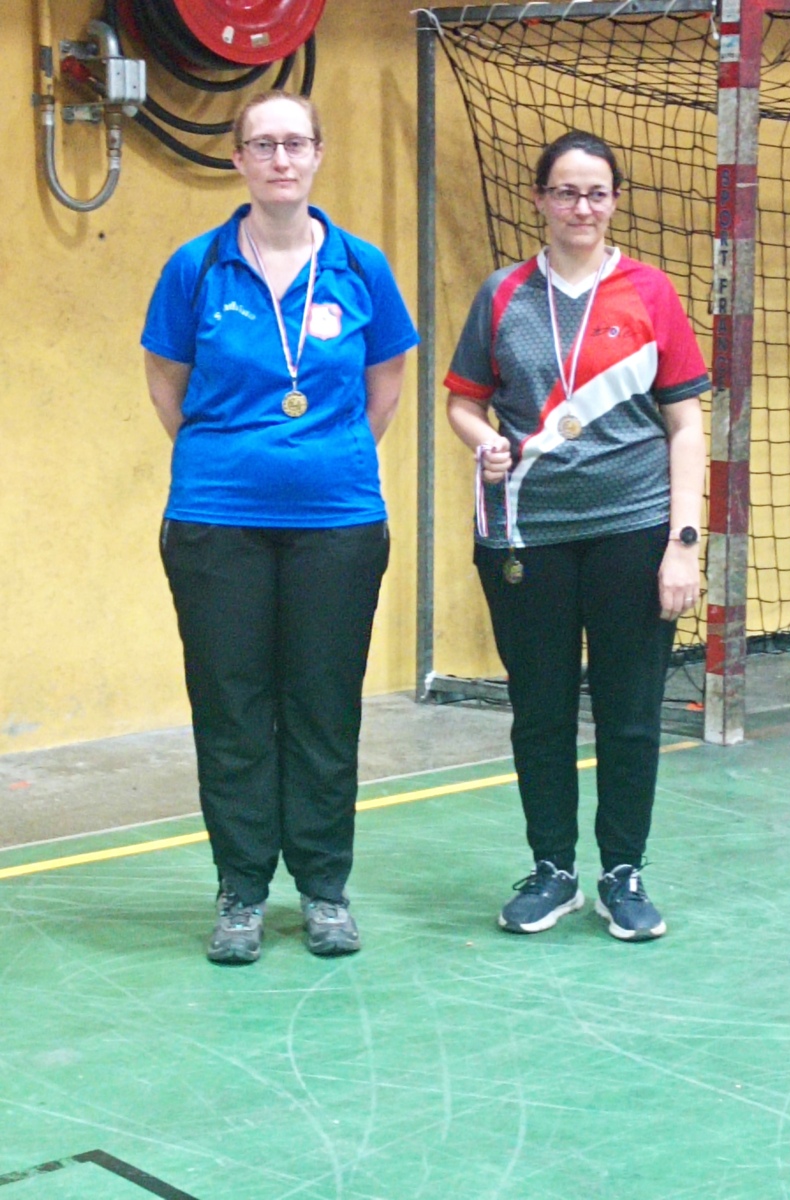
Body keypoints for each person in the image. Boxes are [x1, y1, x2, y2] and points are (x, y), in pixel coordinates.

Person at [141, 91, 418, 963]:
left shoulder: (361, 266)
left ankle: (325, 888)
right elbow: (165, 381)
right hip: (215, 522)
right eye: (262, 145)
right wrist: (228, 458)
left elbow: (386, 382)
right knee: (231, 707)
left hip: (337, 522)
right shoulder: (196, 267)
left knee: (323, 707)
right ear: (239, 161)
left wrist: (325, 457)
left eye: (295, 142)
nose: (280, 159)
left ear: (318, 154)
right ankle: (242, 892)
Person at [445, 131, 708, 942]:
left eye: (596, 193)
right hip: (527, 535)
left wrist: (684, 542)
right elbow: (463, 400)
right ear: (540, 200)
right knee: (540, 711)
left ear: (615, 201)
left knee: (630, 713)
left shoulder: (651, 293)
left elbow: (686, 424)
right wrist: (482, 441)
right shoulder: (502, 295)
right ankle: (551, 870)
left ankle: (622, 873)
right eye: (565, 191)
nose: (581, 207)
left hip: (633, 530)